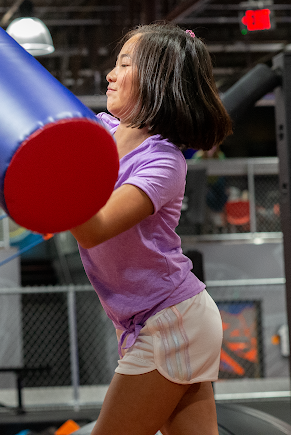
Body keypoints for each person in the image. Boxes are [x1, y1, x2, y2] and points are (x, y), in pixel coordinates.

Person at [69, 23, 233, 435]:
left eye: (125, 64)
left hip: (169, 320)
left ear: (156, 80)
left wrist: (52, 175)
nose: (110, 74)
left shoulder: (163, 162)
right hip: (157, 321)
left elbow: (93, 229)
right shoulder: (100, 130)